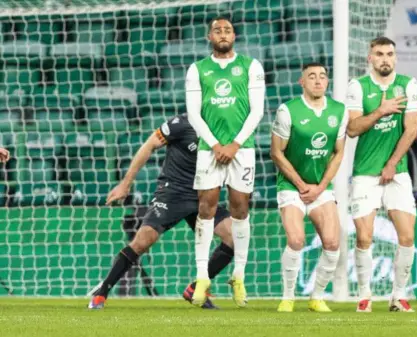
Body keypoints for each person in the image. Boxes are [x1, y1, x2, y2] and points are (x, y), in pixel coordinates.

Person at [88, 113, 234, 310]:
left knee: (233, 237)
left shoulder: (224, 128)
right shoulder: (182, 123)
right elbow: (148, 145)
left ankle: (196, 289)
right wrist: (125, 184)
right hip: (173, 193)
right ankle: (101, 293)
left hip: (203, 195)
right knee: (143, 240)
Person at [185, 16, 266, 307]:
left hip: (242, 150)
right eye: (217, 30)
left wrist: (234, 144)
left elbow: (257, 111)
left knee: (240, 209)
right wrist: (218, 144)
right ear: (209, 37)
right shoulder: (198, 69)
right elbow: (194, 114)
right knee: (205, 208)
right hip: (209, 149)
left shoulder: (251, 66)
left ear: (234, 35)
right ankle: (202, 275)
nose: (222, 33)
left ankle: (239, 274)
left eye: (227, 30)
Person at [346, 36, 417, 312]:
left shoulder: (408, 85)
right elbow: (353, 129)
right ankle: (365, 295)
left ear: (396, 57)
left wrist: (392, 163)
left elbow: (412, 129)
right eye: (379, 54)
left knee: (407, 236)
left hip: (397, 172)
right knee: (364, 237)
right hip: (366, 173)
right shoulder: (358, 86)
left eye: (390, 53)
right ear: (370, 59)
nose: (385, 59)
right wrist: (381, 110)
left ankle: (398, 296)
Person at [271, 62, 348, 312]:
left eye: (323, 76)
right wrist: (302, 184)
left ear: (327, 82)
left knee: (333, 243)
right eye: (311, 76)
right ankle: (288, 296)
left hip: (321, 188)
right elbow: (276, 153)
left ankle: (317, 296)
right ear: (301, 82)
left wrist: (321, 186)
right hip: (292, 186)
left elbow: (338, 153)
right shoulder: (288, 110)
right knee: (296, 240)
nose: (318, 80)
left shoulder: (339, 111)